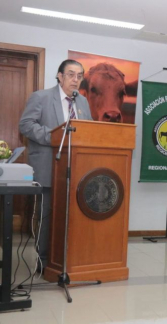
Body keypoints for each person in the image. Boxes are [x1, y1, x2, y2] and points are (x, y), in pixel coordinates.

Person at [19, 59, 92, 273]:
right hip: (47, 168)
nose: (75, 79)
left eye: (79, 75)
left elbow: (88, 131)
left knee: (74, 215)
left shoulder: (83, 102)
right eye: (70, 74)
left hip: (76, 170)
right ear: (59, 76)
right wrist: (53, 136)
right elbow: (25, 125)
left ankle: (68, 258)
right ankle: (43, 260)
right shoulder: (41, 97)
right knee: (47, 214)